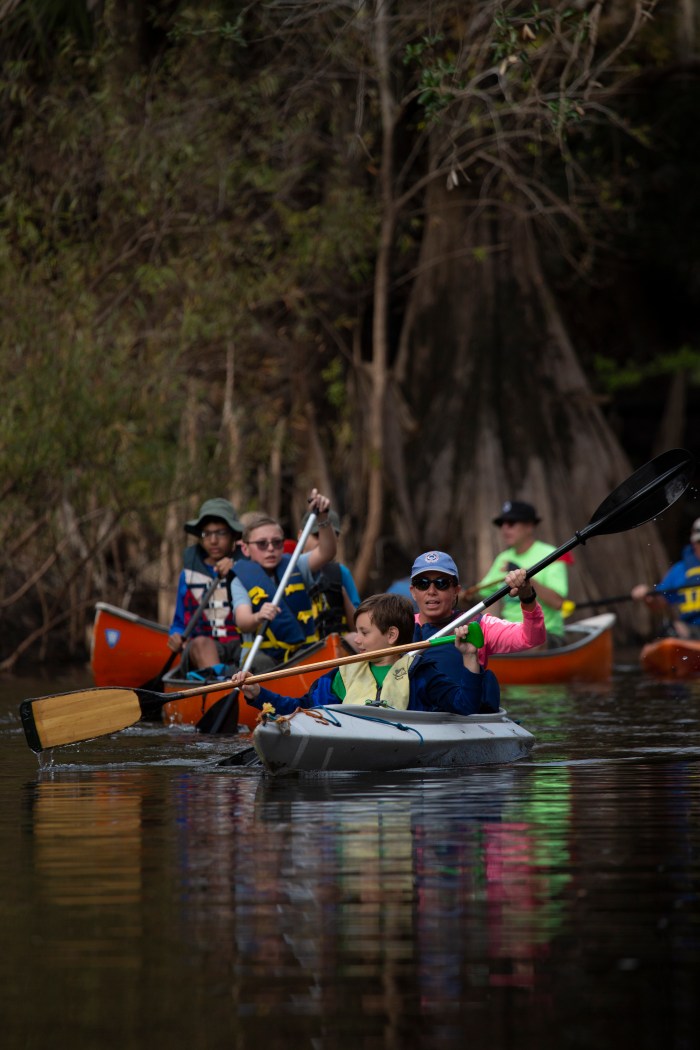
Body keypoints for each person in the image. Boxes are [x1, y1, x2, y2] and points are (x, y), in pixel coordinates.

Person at [231, 593, 500, 716]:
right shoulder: (342, 676)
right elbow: (299, 710)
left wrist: (468, 657)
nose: (356, 640)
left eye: (364, 632)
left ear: (391, 636)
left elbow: (465, 706)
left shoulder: (421, 674)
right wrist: (258, 694)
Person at [231, 489, 337, 669]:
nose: (270, 548)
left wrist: (323, 518)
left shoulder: (296, 564)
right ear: (246, 549)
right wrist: (258, 616)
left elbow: (327, 552)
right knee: (260, 664)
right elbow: (243, 620)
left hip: (299, 652)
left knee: (316, 660)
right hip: (261, 656)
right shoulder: (240, 579)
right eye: (262, 544)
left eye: (277, 543)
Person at [409, 550, 546, 682]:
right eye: (423, 584)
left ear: (456, 591)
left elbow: (532, 638)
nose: (431, 591)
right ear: (413, 592)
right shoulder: (400, 626)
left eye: (441, 583)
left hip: (461, 705)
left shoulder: (480, 626)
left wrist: (527, 597)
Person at [167, 497, 244, 676]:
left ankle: (238, 684)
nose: (213, 540)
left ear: (233, 534)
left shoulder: (247, 565)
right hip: (204, 650)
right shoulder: (188, 575)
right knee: (202, 643)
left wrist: (239, 567)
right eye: (206, 534)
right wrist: (176, 635)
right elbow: (179, 622)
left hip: (241, 646)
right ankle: (219, 686)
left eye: (221, 533)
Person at [477, 500, 568, 647]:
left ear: (529, 526)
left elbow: (558, 603)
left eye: (511, 523)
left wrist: (526, 578)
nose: (505, 528)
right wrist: (462, 596)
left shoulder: (551, 553)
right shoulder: (503, 558)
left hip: (545, 634)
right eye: (502, 524)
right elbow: (480, 592)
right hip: (510, 632)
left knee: (531, 643)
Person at [631, 518, 700, 639]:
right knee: (671, 631)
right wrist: (648, 595)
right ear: (694, 543)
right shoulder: (680, 570)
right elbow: (659, 602)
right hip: (692, 632)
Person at [298, 508, 361, 636]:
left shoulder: (341, 572)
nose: (323, 541)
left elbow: (359, 627)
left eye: (331, 535)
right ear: (301, 535)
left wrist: (341, 594)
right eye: (316, 535)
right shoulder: (288, 570)